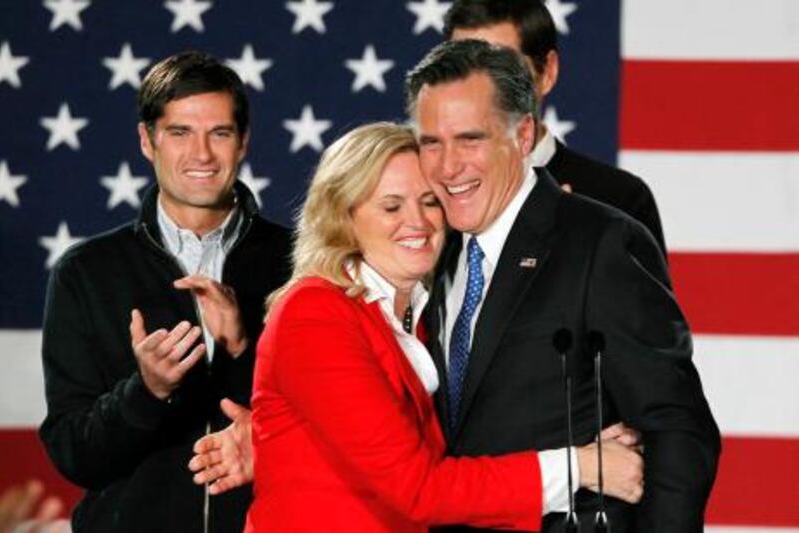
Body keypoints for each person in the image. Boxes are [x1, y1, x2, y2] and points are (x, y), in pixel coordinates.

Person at [229, 122, 643, 531]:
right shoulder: (315, 312)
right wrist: (579, 467)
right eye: (391, 206)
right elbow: (419, 488)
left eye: (430, 201)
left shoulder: (422, 321)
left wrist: (587, 446)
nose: (419, 222)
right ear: (343, 217)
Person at [405, 39, 720, 532]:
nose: (447, 167)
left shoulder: (600, 243)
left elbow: (677, 428)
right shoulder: (426, 251)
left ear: (524, 134)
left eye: (470, 139)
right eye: (430, 142)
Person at [39, 51, 291, 532]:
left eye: (219, 133)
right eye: (180, 133)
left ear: (243, 143)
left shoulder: (301, 262)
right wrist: (147, 391)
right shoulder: (86, 272)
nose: (201, 154)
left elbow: (334, 429)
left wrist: (243, 349)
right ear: (147, 140)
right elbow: (73, 453)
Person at [444, 0, 667, 255]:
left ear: (548, 72)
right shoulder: (426, 200)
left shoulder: (618, 201)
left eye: (501, 67)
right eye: (460, 67)